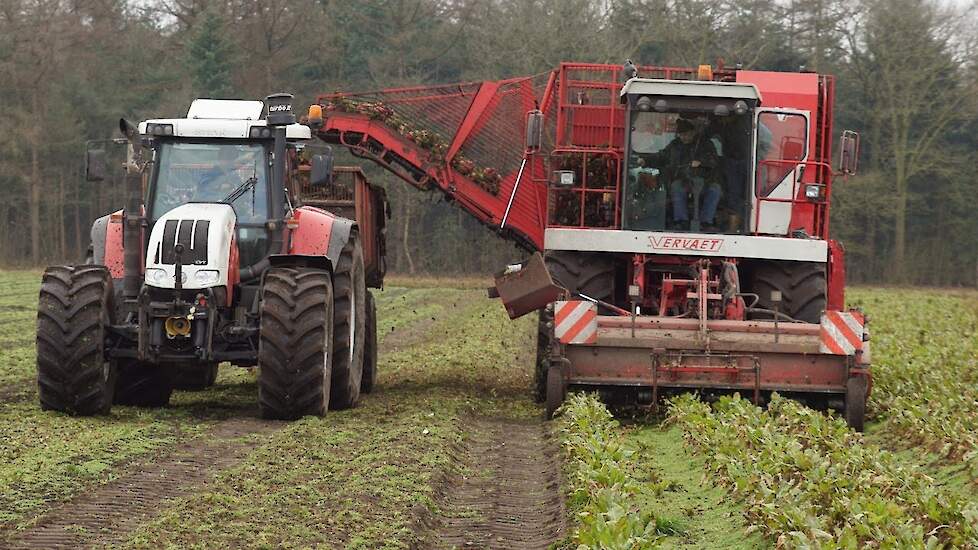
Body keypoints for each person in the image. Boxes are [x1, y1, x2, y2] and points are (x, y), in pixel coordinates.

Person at [649, 117, 720, 231]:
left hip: (705, 182)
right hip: (683, 181)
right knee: (676, 187)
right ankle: (682, 221)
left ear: (693, 132)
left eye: (686, 134)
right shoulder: (675, 145)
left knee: (715, 189)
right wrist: (645, 160)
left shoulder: (706, 144)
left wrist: (701, 162)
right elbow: (661, 156)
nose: (684, 137)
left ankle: (706, 222)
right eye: (681, 135)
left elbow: (714, 160)